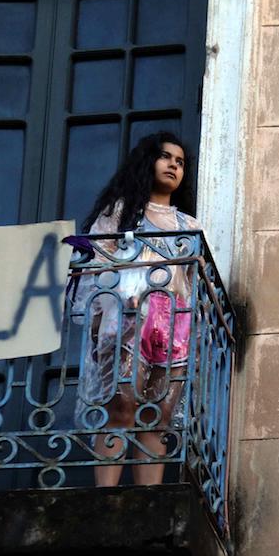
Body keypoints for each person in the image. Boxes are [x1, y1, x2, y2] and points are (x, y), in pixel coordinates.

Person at [76, 132, 201, 487]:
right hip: (130, 315)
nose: (174, 165)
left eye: (180, 161)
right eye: (165, 157)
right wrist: (102, 316)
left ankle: (149, 494)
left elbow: (192, 282)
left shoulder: (188, 226)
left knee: (157, 416)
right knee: (121, 407)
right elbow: (97, 268)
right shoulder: (119, 212)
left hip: (173, 320)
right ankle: (106, 495)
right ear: (148, 162)